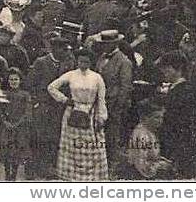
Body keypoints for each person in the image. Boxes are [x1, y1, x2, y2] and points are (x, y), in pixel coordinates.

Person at [47, 46, 108, 181]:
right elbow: (51, 87)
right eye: (80, 61)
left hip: (90, 114)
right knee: (72, 146)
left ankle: (89, 177)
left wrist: (101, 117)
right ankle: (71, 176)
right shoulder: (71, 74)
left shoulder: (97, 78)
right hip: (73, 113)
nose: (83, 65)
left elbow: (101, 99)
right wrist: (65, 100)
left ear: (90, 62)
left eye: (86, 62)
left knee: (89, 146)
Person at [27, 35, 75, 179]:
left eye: (66, 49)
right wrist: (36, 102)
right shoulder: (41, 62)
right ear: (54, 49)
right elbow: (31, 83)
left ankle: (51, 167)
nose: (65, 52)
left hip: (59, 107)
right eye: (62, 49)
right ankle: (37, 167)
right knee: (40, 137)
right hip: (43, 105)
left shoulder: (68, 63)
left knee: (55, 137)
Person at [156, 51, 196, 178]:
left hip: (179, 143)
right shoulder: (181, 88)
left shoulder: (181, 92)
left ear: (178, 69)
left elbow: (176, 122)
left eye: (167, 69)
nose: (164, 73)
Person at [93, 29, 133, 175]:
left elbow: (125, 86)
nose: (103, 47)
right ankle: (101, 163)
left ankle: (113, 166)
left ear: (114, 44)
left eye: (106, 44)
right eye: (102, 44)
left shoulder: (124, 62)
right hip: (99, 101)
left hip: (113, 103)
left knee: (112, 135)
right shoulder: (102, 57)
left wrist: (118, 106)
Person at [0, 67, 32, 180]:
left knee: (16, 153)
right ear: (8, 81)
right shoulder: (3, 94)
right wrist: (5, 122)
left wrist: (17, 124)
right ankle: (7, 174)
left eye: (16, 79)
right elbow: (0, 111)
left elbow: (27, 112)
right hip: (6, 128)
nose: (13, 82)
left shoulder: (25, 95)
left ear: (20, 80)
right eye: (11, 80)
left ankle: (13, 176)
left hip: (19, 129)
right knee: (6, 151)